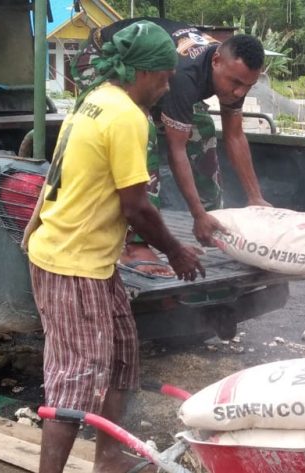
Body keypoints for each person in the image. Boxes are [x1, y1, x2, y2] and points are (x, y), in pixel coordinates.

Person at [21, 21, 204, 473]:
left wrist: (34, 224)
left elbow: (61, 173)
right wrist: (176, 252)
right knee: (75, 379)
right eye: (164, 76)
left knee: (122, 358)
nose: (167, 86)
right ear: (143, 72)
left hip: (91, 262)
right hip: (72, 263)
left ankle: (109, 464)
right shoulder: (125, 117)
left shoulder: (95, 100)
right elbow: (137, 207)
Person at [74, 18, 271, 277]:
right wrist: (195, 214)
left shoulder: (234, 73)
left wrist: (255, 197)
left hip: (154, 73)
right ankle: (134, 244)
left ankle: (216, 223)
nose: (238, 92)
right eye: (235, 83)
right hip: (102, 55)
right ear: (216, 62)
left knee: (202, 129)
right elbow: (176, 149)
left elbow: (234, 136)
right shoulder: (185, 75)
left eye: (247, 86)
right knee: (142, 131)